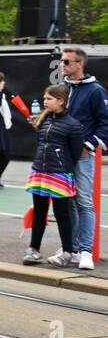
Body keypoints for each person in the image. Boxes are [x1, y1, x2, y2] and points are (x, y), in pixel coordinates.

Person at [21, 85, 84, 268]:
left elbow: (75, 153)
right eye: (44, 98)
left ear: (61, 101)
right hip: (40, 171)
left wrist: (63, 166)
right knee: (39, 212)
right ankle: (34, 250)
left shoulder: (73, 125)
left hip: (60, 174)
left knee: (62, 214)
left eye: (49, 99)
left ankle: (66, 252)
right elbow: (40, 144)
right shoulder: (44, 120)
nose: (45, 102)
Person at [58, 47, 108, 270]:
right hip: (63, 155)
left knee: (84, 202)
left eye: (67, 62)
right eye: (61, 61)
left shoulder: (96, 90)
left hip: (82, 156)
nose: (63, 65)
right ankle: (73, 248)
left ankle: (85, 250)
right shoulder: (64, 88)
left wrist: (89, 145)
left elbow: (105, 123)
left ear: (80, 64)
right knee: (67, 201)